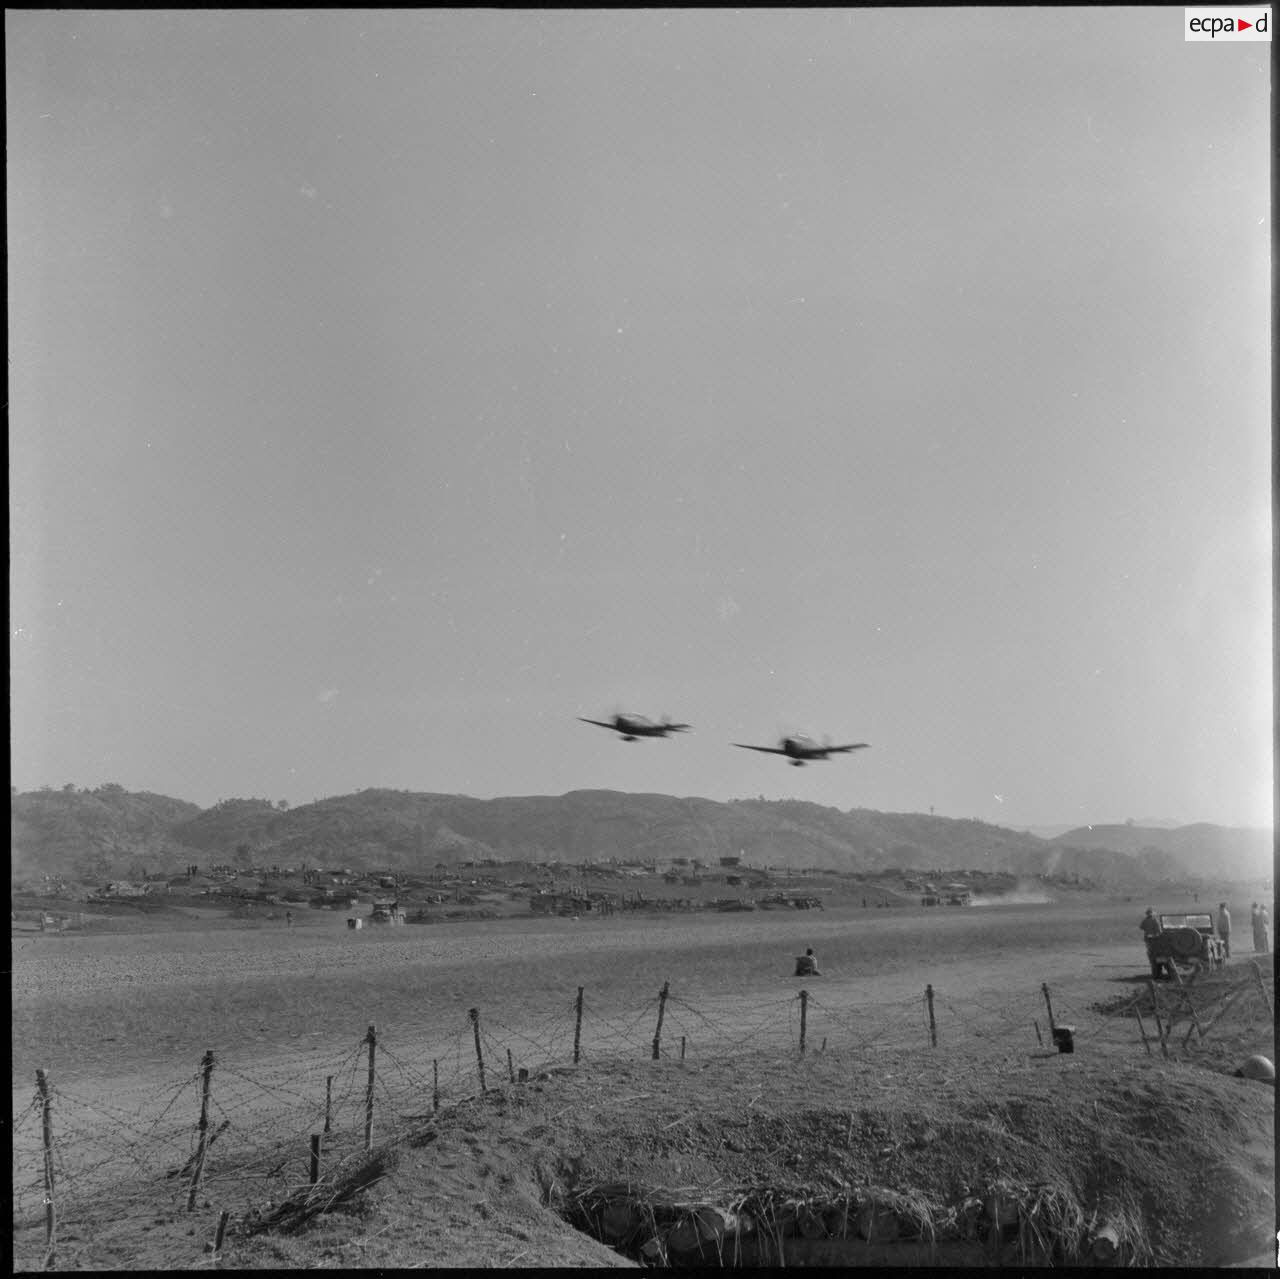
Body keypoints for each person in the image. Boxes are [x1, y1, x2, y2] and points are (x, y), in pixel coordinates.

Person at [1139, 908, 1164, 978]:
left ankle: (1154, 967)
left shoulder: (1145, 920)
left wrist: (1147, 930)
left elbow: (1141, 927)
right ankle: (1157, 969)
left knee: (1150, 952)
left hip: (1148, 938)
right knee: (1156, 953)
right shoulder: (1155, 920)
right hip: (1155, 939)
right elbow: (1159, 930)